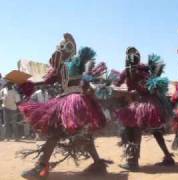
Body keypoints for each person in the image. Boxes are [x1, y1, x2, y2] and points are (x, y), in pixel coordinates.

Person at [18, 33, 109, 179]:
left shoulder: (78, 60)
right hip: (64, 101)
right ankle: (98, 164)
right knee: (79, 135)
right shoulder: (59, 67)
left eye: (66, 46)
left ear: (72, 48)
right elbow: (47, 76)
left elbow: (88, 65)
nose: (62, 50)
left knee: (58, 133)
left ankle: (41, 167)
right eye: (61, 47)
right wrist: (28, 85)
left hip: (76, 101)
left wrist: (86, 77)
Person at [115, 47, 174, 171]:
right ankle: (168, 157)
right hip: (153, 104)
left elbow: (117, 83)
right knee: (156, 131)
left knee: (132, 129)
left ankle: (133, 162)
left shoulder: (128, 71)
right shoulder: (145, 69)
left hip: (140, 104)